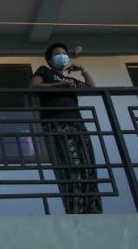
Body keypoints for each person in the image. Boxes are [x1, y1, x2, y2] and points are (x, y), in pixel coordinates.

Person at [30, 42, 102, 214]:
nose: (62, 56)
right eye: (57, 53)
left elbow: (92, 89)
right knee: (70, 167)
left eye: (64, 53)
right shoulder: (45, 71)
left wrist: (83, 70)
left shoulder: (69, 80)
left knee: (88, 165)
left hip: (77, 124)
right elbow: (33, 86)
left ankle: (92, 209)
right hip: (56, 124)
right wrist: (59, 85)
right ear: (50, 59)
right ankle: (76, 210)